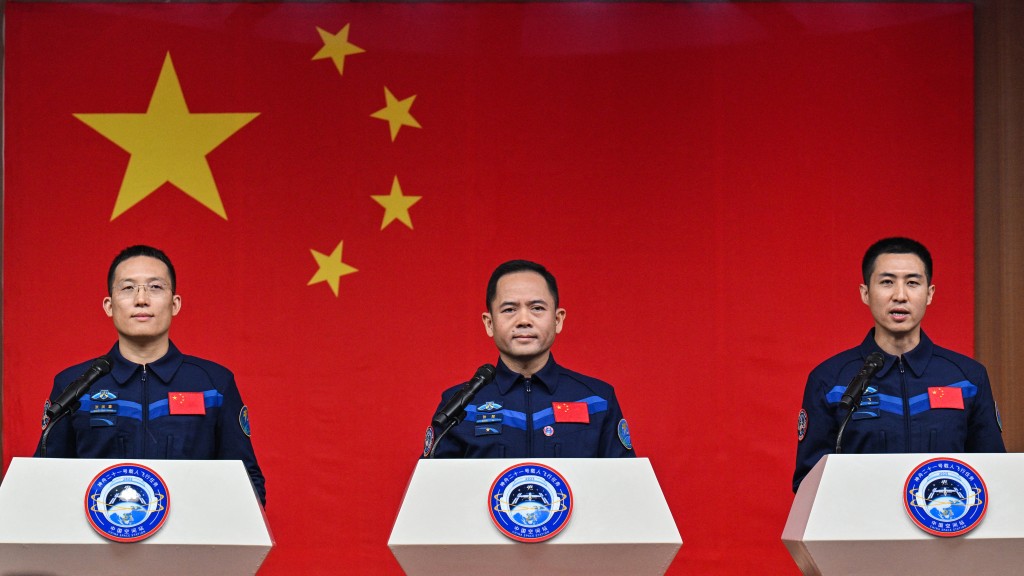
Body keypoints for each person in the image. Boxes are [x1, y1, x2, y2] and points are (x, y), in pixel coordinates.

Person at [35, 245, 266, 505]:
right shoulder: (75, 385)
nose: (141, 299)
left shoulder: (213, 384)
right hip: (98, 541)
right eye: (128, 288)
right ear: (109, 305)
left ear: (175, 303)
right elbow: (44, 481)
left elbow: (246, 482)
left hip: (190, 541)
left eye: (155, 287)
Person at [793, 237, 1005, 492]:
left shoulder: (967, 378)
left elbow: (994, 475)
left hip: (946, 524)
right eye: (887, 282)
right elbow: (808, 484)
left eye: (913, 283)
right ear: (865, 293)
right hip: (862, 529)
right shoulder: (831, 380)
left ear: (929, 294)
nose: (900, 296)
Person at [423, 259, 634, 458]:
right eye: (509, 309)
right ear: (489, 323)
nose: (524, 320)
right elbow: (433, 490)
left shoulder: (596, 400)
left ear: (557, 320)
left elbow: (623, 486)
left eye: (537, 308)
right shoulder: (461, 406)